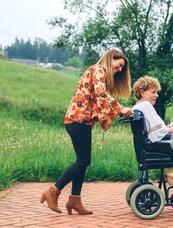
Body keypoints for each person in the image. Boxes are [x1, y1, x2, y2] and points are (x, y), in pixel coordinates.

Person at [41, 49, 133, 215]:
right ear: (110, 58)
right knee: (83, 161)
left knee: (82, 161)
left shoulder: (96, 71)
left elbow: (97, 101)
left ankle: (75, 200)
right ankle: (54, 191)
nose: (119, 70)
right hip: (77, 120)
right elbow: (101, 95)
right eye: (118, 65)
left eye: (121, 68)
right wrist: (120, 109)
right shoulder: (99, 70)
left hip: (81, 121)